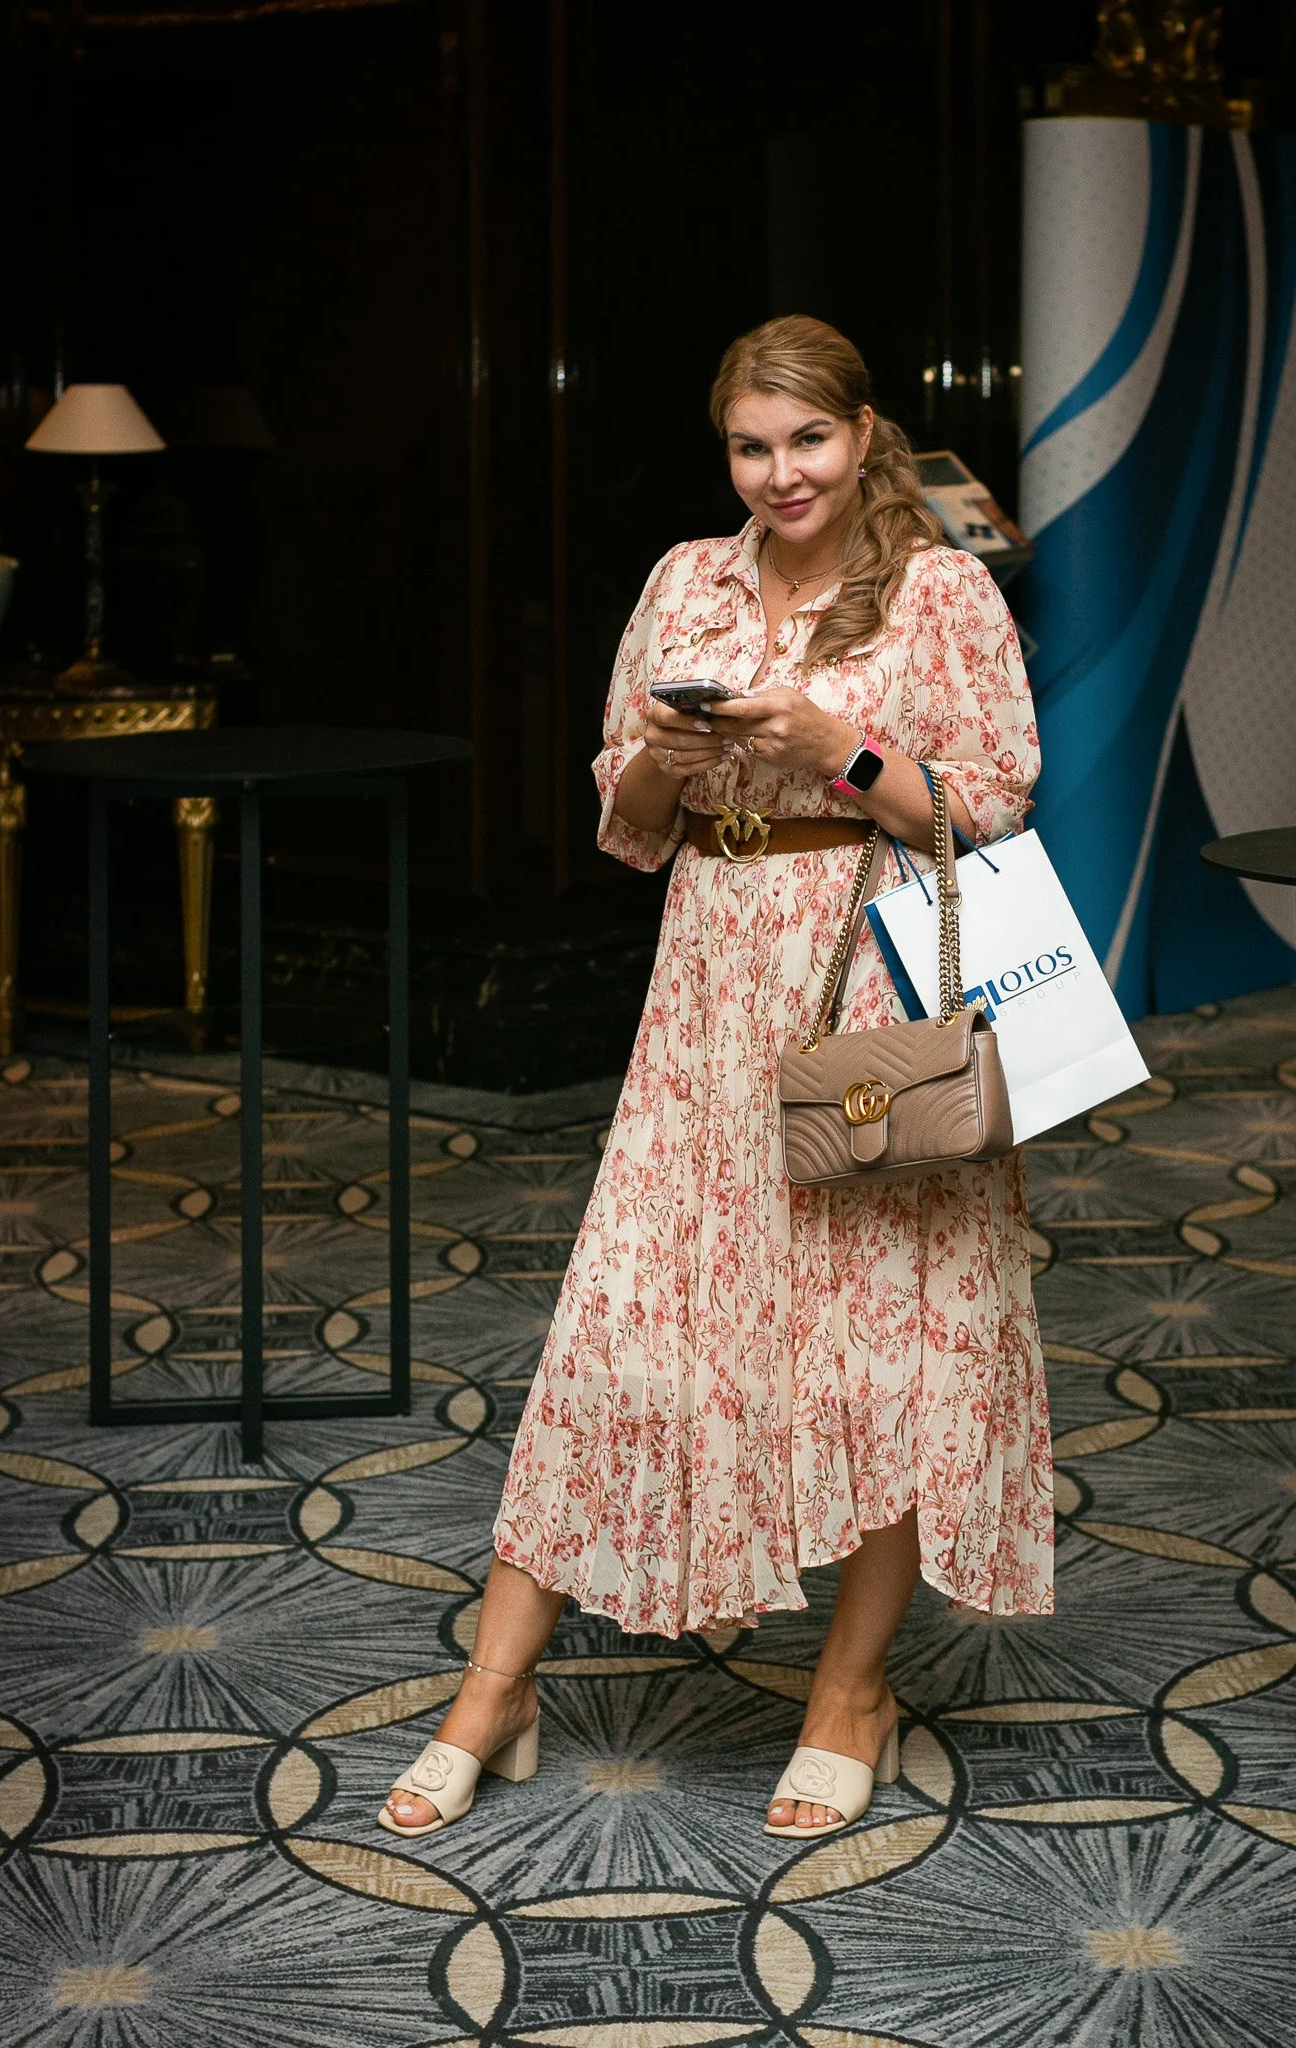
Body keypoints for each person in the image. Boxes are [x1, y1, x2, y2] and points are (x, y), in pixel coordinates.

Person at [379, 314, 1053, 1844]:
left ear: (864, 434)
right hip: (703, 1003)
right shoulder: (687, 579)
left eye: (808, 439)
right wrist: (665, 767)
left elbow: (994, 814)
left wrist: (834, 746)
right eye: (752, 446)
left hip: (866, 989)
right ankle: (495, 1689)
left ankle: (851, 1694)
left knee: (879, 1347)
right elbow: (624, 820)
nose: (780, 473)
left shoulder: (940, 590)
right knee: (620, 1332)